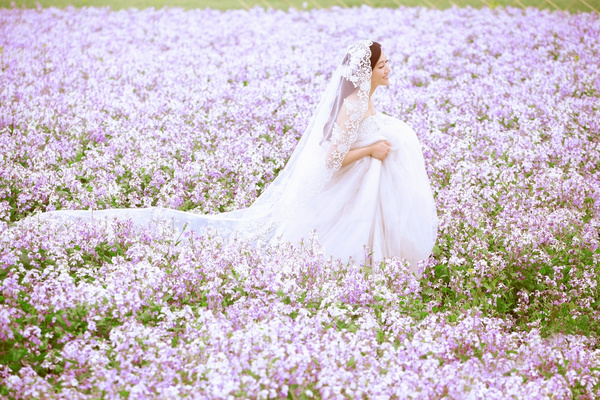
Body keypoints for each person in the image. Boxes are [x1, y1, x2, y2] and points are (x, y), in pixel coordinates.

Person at [36, 40, 438, 275]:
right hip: (347, 186)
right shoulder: (352, 106)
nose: (389, 69)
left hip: (356, 190)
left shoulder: (362, 98)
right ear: (366, 71)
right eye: (383, 64)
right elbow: (333, 158)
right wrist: (372, 150)